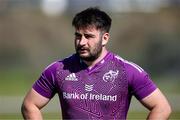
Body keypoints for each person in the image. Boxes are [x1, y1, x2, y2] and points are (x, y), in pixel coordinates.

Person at [21, 7, 171, 120]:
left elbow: (162, 107)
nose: (82, 42)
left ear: (105, 38)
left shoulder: (127, 71)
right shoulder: (58, 69)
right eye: (78, 36)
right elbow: (29, 105)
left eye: (89, 36)